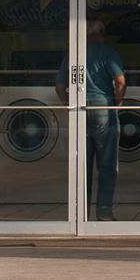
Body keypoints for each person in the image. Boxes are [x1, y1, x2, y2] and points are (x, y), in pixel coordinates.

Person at [55, 17, 126, 220]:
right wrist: (118, 103)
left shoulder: (73, 55)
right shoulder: (108, 53)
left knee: (81, 164)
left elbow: (60, 87)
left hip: (79, 109)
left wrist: (69, 105)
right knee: (107, 164)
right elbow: (120, 81)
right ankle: (104, 212)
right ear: (102, 34)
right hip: (103, 108)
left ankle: (80, 215)